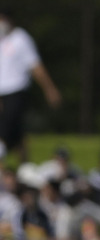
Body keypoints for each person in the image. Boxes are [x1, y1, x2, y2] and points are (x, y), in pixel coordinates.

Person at [0, 9, 62, 164]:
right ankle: (24, 166)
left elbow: (36, 66)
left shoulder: (21, 39)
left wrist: (50, 89)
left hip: (16, 91)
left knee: (5, 130)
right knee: (16, 133)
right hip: (2, 93)